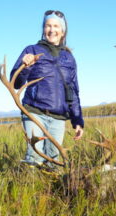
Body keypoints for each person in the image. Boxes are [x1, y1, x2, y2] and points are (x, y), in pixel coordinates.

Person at [10, 10, 84, 170]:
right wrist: (25, 67)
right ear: (43, 29)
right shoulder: (32, 50)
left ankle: (50, 193)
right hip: (34, 113)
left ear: (63, 31)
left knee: (54, 160)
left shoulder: (69, 58)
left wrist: (77, 120)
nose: (52, 30)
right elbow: (15, 83)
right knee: (34, 157)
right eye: (48, 26)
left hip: (58, 117)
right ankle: (31, 191)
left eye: (56, 26)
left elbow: (73, 91)